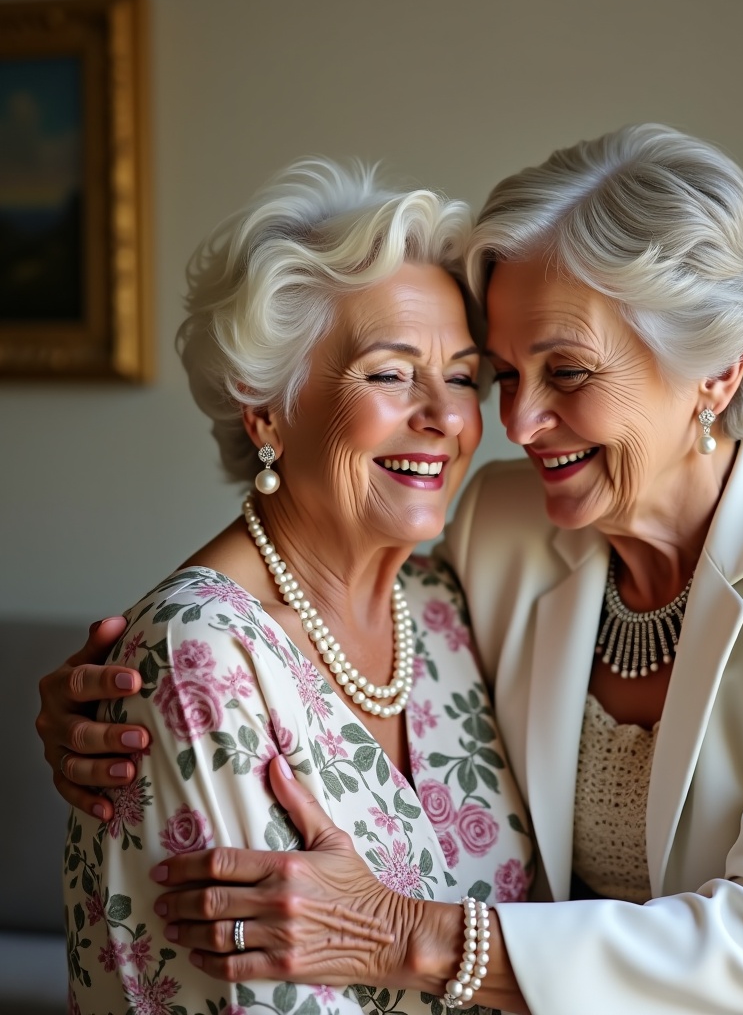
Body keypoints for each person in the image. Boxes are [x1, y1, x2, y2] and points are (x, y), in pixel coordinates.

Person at [39, 125, 743, 1014]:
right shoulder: (502, 526)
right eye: (503, 373)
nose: (511, 424)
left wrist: (401, 934)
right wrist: (128, 698)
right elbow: (282, 600)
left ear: (715, 370)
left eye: (566, 372)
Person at [52, 158, 534, 1015]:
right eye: (389, 373)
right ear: (266, 407)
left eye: (462, 375)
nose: (445, 416)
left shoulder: (445, 604)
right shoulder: (195, 655)